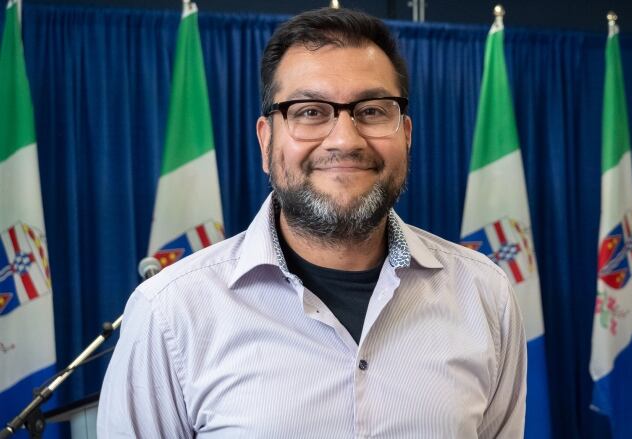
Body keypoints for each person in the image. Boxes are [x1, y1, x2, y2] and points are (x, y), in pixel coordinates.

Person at [97, 7, 526, 437]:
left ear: (406, 135)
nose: (344, 139)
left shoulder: (486, 297)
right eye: (309, 112)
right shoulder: (172, 313)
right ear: (267, 141)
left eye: (373, 111)